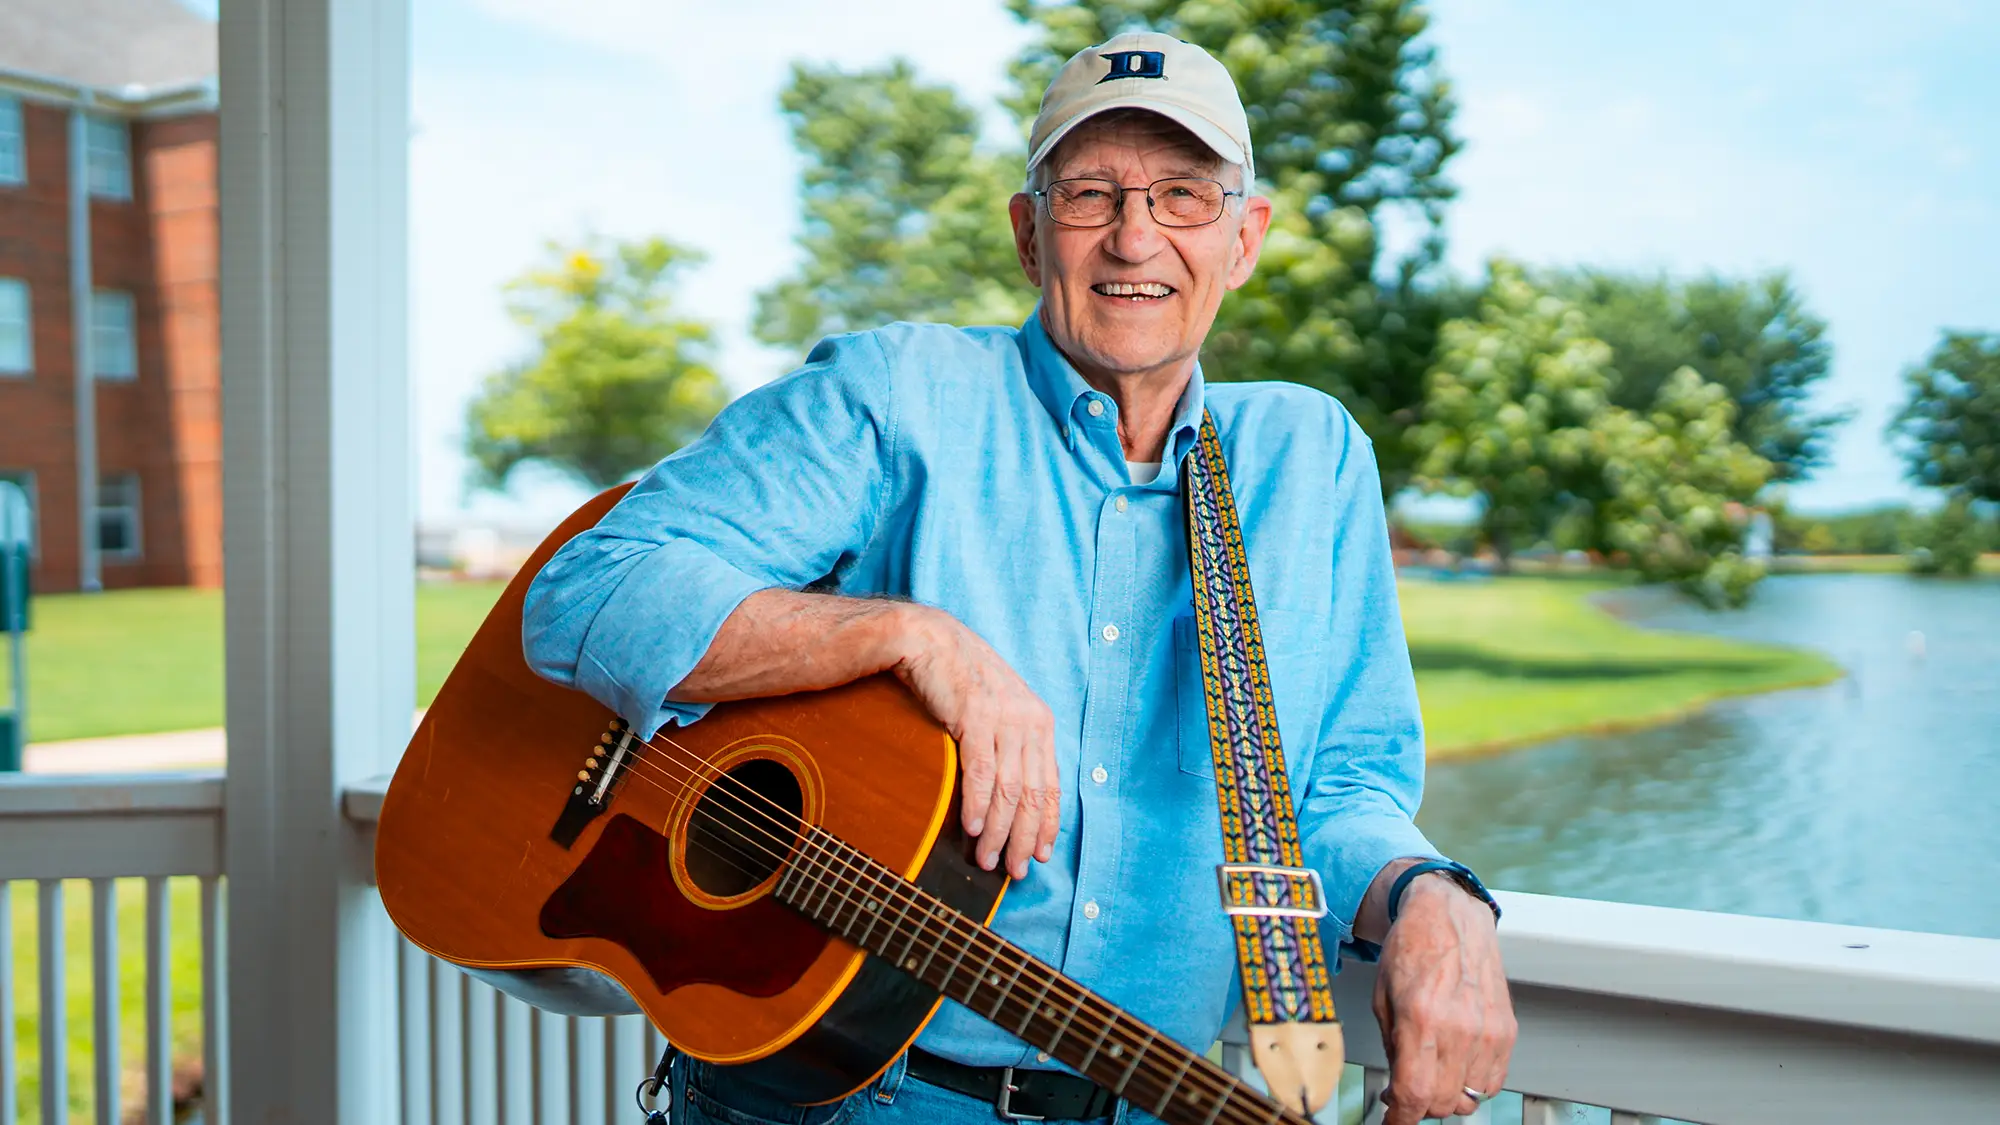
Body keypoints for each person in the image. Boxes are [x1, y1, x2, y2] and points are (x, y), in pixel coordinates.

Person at [522, 31, 1515, 1125]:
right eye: (1090, 193)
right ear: (1027, 232)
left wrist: (1431, 896)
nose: (1136, 235)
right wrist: (906, 636)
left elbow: (1335, 786)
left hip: (1151, 1099)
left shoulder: (1307, 459)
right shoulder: (896, 392)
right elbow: (587, 592)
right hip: (847, 1093)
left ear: (1244, 238)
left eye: (1184, 194)